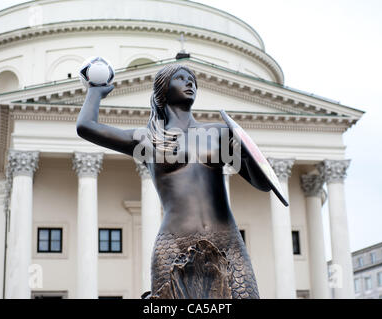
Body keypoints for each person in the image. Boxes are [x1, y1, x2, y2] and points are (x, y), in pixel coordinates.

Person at [76, 63, 260, 299]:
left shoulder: (220, 133)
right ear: (162, 90)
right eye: (180, 78)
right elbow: (86, 127)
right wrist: (95, 92)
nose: (189, 82)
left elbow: (262, 183)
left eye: (192, 79)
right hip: (175, 244)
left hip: (227, 242)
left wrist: (246, 155)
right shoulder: (148, 139)